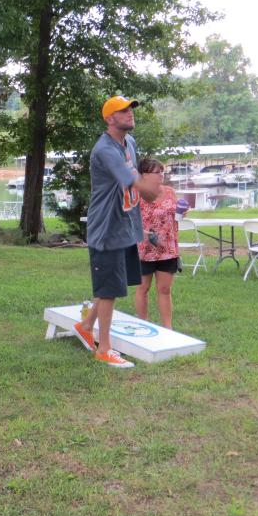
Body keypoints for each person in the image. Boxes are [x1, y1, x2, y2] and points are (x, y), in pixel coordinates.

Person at [73, 96, 162, 368]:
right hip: (106, 228)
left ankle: (85, 326)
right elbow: (133, 182)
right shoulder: (104, 150)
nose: (129, 114)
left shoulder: (129, 142)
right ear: (110, 119)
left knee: (110, 283)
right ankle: (104, 349)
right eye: (123, 111)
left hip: (124, 225)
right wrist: (154, 191)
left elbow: (135, 179)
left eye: (130, 109)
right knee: (109, 289)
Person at [134, 158, 180, 329]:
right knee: (143, 288)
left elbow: (176, 214)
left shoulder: (170, 192)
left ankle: (168, 329)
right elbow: (127, 219)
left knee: (165, 290)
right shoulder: (136, 194)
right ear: (144, 175)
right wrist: (142, 233)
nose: (161, 174)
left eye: (162, 171)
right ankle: (143, 324)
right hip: (144, 250)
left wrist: (182, 213)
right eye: (157, 172)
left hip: (167, 249)